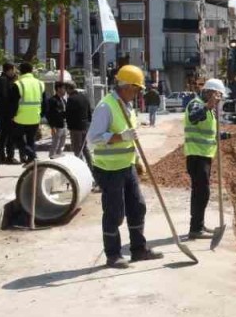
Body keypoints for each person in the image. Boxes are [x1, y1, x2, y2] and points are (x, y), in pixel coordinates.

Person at [86, 64, 161, 268]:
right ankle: (113, 254)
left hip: (126, 166)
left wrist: (136, 159)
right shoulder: (106, 106)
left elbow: (131, 139)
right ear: (126, 86)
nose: (138, 93)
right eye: (136, 88)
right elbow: (92, 138)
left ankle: (138, 250)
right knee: (114, 212)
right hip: (109, 169)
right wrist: (119, 137)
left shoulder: (127, 106)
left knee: (138, 207)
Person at [183, 78, 232, 240]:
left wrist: (230, 135)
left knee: (201, 193)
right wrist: (208, 105)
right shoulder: (196, 104)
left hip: (204, 156)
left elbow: (212, 135)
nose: (218, 100)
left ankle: (198, 225)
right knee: (201, 193)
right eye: (217, 96)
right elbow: (193, 117)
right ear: (210, 92)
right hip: (196, 156)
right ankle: (195, 228)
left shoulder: (209, 110)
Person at [13, 62, 44, 163]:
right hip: (35, 117)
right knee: (31, 140)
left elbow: (12, 103)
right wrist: (41, 114)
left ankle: (32, 155)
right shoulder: (40, 83)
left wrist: (12, 115)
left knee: (18, 139)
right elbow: (44, 102)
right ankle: (32, 162)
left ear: (20, 71)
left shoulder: (18, 84)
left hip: (20, 117)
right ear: (31, 71)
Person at [65, 80, 93, 170]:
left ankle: (81, 169)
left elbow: (68, 114)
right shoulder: (84, 97)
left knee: (77, 149)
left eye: (66, 89)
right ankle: (91, 167)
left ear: (69, 89)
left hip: (75, 128)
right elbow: (89, 112)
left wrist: (68, 126)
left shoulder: (71, 99)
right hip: (85, 126)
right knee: (84, 148)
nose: (66, 92)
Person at [0, 62, 19, 165]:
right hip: (7, 112)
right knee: (8, 135)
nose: (15, 72)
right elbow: (5, 97)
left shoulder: (2, 80)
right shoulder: (3, 80)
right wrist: (12, 112)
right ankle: (8, 156)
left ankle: (4, 156)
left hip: (3, 111)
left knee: (5, 135)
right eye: (14, 69)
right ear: (9, 70)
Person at [46, 81, 68, 157]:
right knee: (55, 145)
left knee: (62, 145)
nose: (65, 90)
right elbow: (49, 114)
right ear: (58, 89)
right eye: (64, 88)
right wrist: (52, 126)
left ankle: (59, 160)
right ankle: (51, 160)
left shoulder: (64, 100)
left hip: (64, 125)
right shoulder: (52, 100)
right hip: (57, 126)